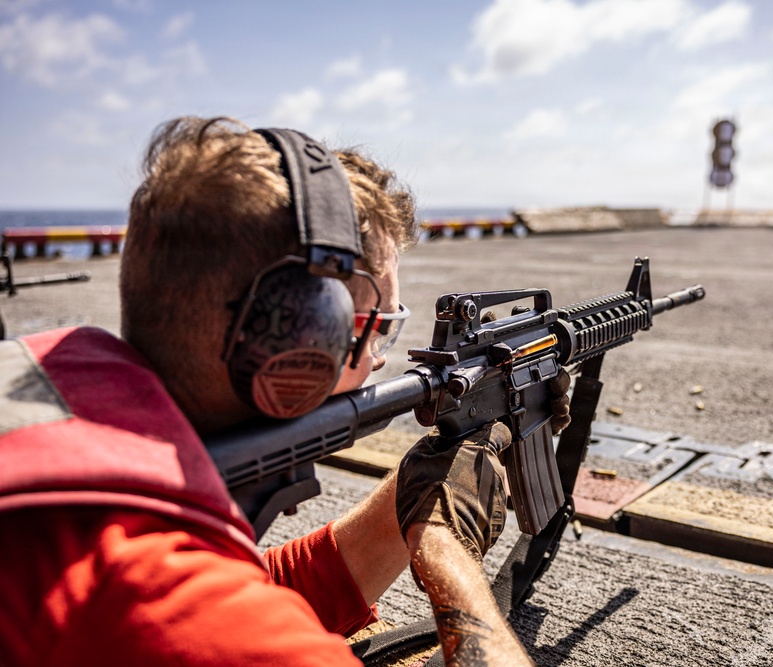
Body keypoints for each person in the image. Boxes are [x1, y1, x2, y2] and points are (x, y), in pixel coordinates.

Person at [0, 116, 541, 665]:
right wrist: (448, 554)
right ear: (301, 337)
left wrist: (411, 497)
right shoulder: (157, 602)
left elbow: (244, 587)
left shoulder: (42, 382)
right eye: (376, 327)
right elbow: (218, 621)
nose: (380, 360)